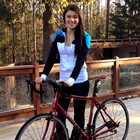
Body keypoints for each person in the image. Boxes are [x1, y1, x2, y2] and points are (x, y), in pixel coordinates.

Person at [35, 4, 91, 140]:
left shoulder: (85, 37)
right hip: (62, 82)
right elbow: (51, 57)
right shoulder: (59, 35)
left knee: (78, 114)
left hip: (79, 81)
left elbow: (80, 62)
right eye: (69, 17)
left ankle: (76, 138)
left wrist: (71, 80)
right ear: (65, 18)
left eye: (75, 17)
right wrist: (43, 75)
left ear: (79, 19)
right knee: (60, 113)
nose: (72, 20)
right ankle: (62, 137)